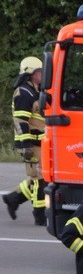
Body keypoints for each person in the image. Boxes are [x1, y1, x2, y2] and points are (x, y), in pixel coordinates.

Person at [4, 57, 47, 225]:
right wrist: (26, 145)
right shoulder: (24, 93)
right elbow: (21, 122)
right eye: (39, 72)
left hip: (41, 143)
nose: (42, 74)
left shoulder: (36, 91)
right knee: (40, 180)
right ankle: (40, 216)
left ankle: (13, 198)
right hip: (32, 145)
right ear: (31, 74)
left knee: (42, 177)